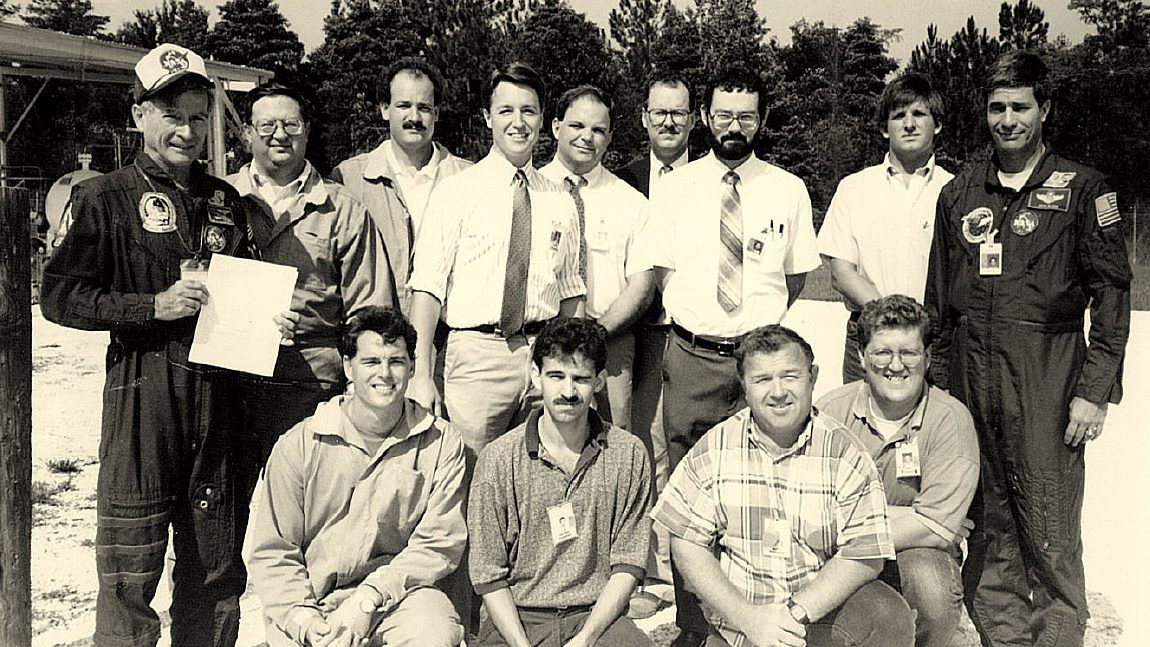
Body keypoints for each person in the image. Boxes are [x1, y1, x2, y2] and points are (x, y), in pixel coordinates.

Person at [39, 43, 296, 647]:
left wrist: (269, 322)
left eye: (198, 117)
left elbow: (250, 285)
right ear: (140, 116)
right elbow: (59, 297)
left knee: (215, 571)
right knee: (131, 573)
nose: (187, 130)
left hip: (221, 401)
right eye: (172, 115)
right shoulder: (106, 196)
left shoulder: (225, 202)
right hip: (143, 399)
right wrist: (151, 307)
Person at [925, 50, 1131, 647]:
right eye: (996, 107)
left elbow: (1111, 299)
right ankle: (1003, 639)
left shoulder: (1083, 190)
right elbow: (938, 301)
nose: (1007, 119)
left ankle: (1058, 637)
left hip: (1047, 376)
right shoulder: (962, 192)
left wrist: (1094, 393)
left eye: (1020, 106)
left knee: (1050, 527)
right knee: (986, 524)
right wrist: (935, 392)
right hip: (969, 376)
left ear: (1045, 109)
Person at [645, 65, 821, 645]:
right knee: (690, 494)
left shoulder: (788, 188)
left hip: (759, 361)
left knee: (760, 488)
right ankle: (696, 626)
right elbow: (663, 273)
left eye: (747, 116)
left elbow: (792, 280)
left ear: (763, 120)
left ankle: (760, 620)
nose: (734, 126)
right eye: (723, 115)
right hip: (693, 356)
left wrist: (752, 333)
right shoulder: (675, 188)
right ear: (706, 117)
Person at [652, 325, 915, 647]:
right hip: (739, 625)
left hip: (815, 618)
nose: (778, 392)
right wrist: (750, 619)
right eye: (762, 380)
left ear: (812, 377)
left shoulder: (845, 453)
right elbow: (686, 542)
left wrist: (791, 616)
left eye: (790, 376)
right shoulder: (715, 447)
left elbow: (865, 554)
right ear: (744, 387)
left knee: (888, 616)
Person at [247, 306, 466, 647]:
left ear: (411, 366)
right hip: (311, 601)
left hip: (395, 600)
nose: (386, 374)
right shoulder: (299, 446)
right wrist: (306, 622)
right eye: (371, 362)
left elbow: (437, 544)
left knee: (435, 632)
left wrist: (368, 601)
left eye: (396, 361)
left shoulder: (442, 443)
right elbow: (274, 552)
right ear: (348, 367)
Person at [407, 62, 584, 458]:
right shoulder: (456, 192)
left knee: (541, 475)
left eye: (529, 111)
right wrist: (420, 373)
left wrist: (565, 365)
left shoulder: (562, 199)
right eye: (506, 111)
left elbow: (571, 294)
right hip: (477, 359)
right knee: (470, 479)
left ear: (542, 120)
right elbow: (427, 291)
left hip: (543, 357)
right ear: (488, 118)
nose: (518, 123)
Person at [228, 81, 396, 466]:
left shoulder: (344, 210)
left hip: (312, 383)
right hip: (228, 381)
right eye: (267, 126)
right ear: (247, 133)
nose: (280, 135)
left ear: (307, 130)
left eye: (292, 124)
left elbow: (370, 313)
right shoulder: (218, 199)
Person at [467, 318, 654, 647]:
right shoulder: (497, 459)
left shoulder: (628, 454)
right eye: (557, 376)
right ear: (536, 375)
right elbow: (487, 574)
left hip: (597, 618)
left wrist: (585, 639)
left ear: (598, 382)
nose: (568, 392)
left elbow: (629, 563)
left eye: (580, 379)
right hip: (518, 617)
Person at [816, 295, 980, 647]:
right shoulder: (828, 411)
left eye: (909, 353)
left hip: (912, 554)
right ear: (861, 357)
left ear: (927, 357)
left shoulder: (950, 420)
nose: (896, 365)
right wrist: (913, 515)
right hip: (838, 552)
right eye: (882, 353)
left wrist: (839, 518)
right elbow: (803, 505)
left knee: (931, 586)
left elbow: (935, 531)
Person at [615, 72, 700, 620]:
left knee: (689, 446)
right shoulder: (623, 181)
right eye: (659, 112)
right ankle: (641, 566)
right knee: (643, 446)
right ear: (644, 117)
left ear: (694, 120)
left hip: (695, 336)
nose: (668, 121)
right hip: (643, 332)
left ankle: (691, 571)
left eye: (679, 112)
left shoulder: (717, 177)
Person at [816, 73, 954, 383]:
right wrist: (890, 319)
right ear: (883, 128)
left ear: (938, 124)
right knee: (862, 429)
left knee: (933, 427)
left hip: (934, 340)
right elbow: (841, 271)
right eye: (898, 116)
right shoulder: (854, 188)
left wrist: (917, 327)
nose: (909, 124)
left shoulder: (955, 190)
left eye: (919, 114)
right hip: (868, 334)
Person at [540, 84, 654, 437]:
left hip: (612, 340)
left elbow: (642, 284)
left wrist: (597, 334)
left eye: (598, 130)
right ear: (556, 126)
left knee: (612, 436)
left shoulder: (631, 202)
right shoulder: (530, 191)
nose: (587, 137)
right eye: (577, 126)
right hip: (543, 336)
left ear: (609, 137)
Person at [331, 57, 472, 316]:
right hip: (375, 340)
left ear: (437, 113)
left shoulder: (469, 179)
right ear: (385, 109)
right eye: (404, 106)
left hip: (447, 339)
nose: (414, 117)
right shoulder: (349, 178)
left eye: (424, 108)